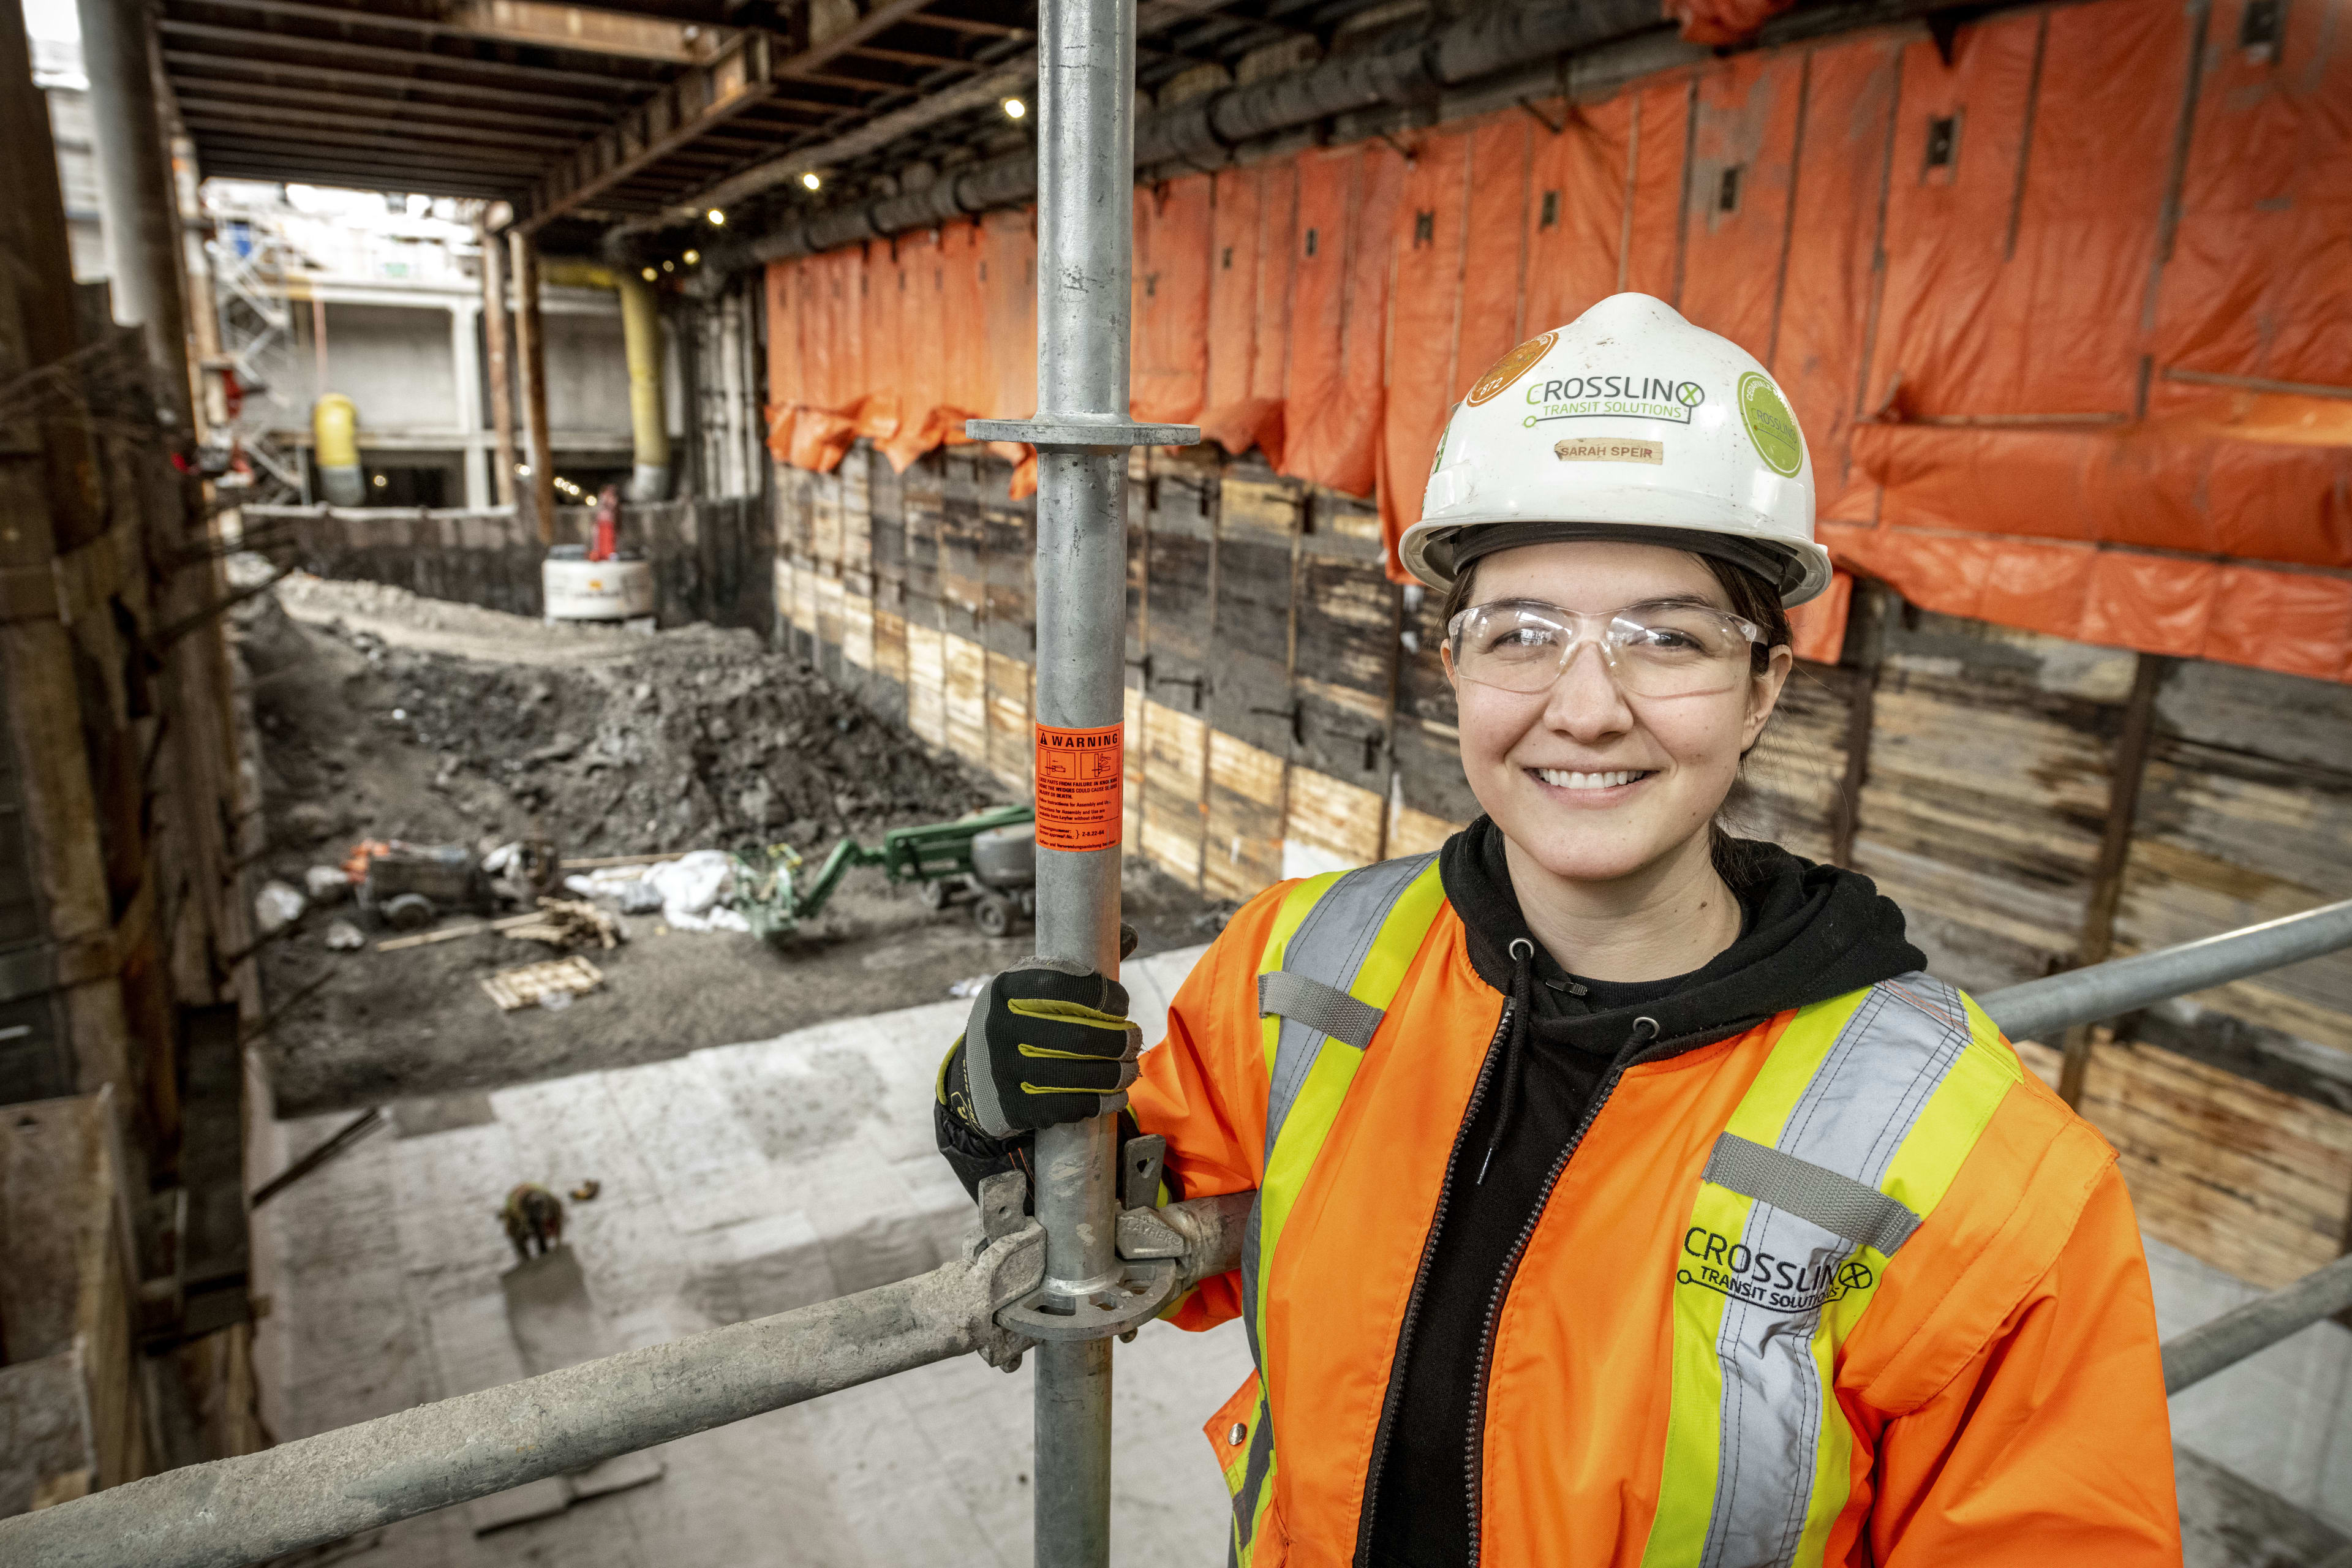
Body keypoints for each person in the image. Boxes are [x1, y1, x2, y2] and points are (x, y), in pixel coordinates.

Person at [937, 294, 2181, 1567]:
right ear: (1453, 662)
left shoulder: (1980, 1168)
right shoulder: (1300, 964)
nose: (1585, 707)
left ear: (1764, 687)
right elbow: (1128, 1211)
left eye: (1668, 639)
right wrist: (997, 1114)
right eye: (1523, 632)